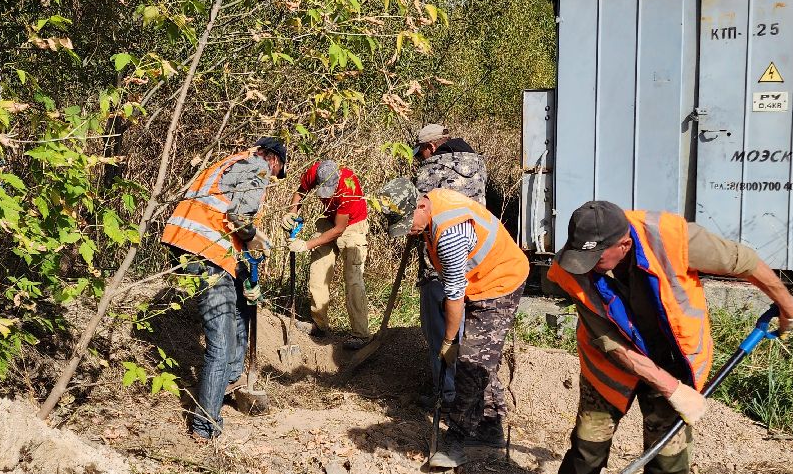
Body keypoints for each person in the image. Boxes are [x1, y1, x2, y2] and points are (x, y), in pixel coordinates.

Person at [535, 200, 793, 474]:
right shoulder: (574, 267)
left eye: (596, 257)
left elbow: (745, 261)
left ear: (623, 245)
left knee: (668, 457)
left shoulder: (674, 239)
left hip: (676, 357)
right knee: (588, 440)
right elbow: (610, 342)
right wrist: (669, 388)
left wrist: (786, 303)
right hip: (612, 364)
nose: (586, 266)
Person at [374, 179, 528, 451]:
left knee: (471, 362)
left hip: (500, 282)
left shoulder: (450, 235)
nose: (407, 231)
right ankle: (491, 426)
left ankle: (459, 435)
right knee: (482, 357)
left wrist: (448, 342)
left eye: (407, 223)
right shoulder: (433, 202)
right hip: (479, 281)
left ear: (421, 206)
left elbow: (454, 296)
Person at [161, 136, 287, 442]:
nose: (271, 178)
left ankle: (230, 379)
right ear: (273, 159)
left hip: (186, 243)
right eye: (276, 172)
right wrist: (254, 237)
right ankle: (205, 426)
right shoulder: (257, 167)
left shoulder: (229, 163)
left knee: (238, 306)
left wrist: (245, 273)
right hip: (207, 252)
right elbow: (238, 218)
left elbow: (221, 217)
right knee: (220, 343)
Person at [411, 123, 488, 403]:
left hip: (439, 262)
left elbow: (416, 211)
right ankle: (467, 395)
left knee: (439, 330)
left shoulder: (430, 170)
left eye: (421, 153)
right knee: (465, 329)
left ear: (431, 147)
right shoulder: (478, 164)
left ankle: (445, 395)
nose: (420, 159)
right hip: (477, 260)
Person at [283, 159, 371, 350]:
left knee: (353, 280)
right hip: (329, 220)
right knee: (318, 271)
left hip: (352, 226)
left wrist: (306, 245)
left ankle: (361, 334)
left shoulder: (348, 188)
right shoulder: (314, 171)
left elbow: (339, 229)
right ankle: (319, 324)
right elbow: (300, 192)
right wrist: (291, 212)